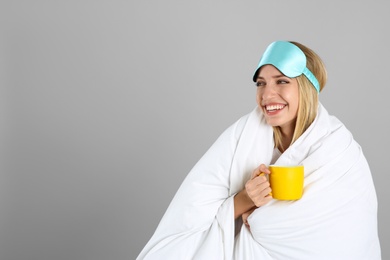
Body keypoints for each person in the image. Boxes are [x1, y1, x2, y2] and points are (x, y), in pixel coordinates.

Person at [136, 40, 381, 259]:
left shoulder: (340, 150)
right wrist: (245, 200)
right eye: (260, 84)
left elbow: (347, 238)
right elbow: (187, 219)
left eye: (282, 81)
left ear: (307, 88)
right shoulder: (240, 138)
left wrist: (264, 221)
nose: (266, 94)